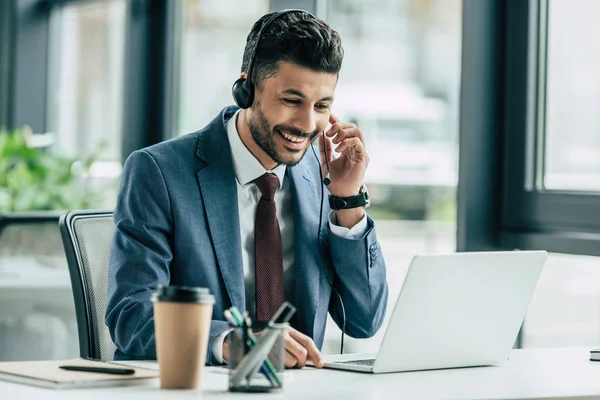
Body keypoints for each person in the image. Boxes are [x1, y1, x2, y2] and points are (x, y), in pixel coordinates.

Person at [105, 9, 388, 368]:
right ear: (247, 88)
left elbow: (363, 321)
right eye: (291, 101)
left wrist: (348, 201)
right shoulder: (159, 172)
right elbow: (131, 317)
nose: (307, 124)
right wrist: (235, 342)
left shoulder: (324, 175)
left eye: (322, 106)